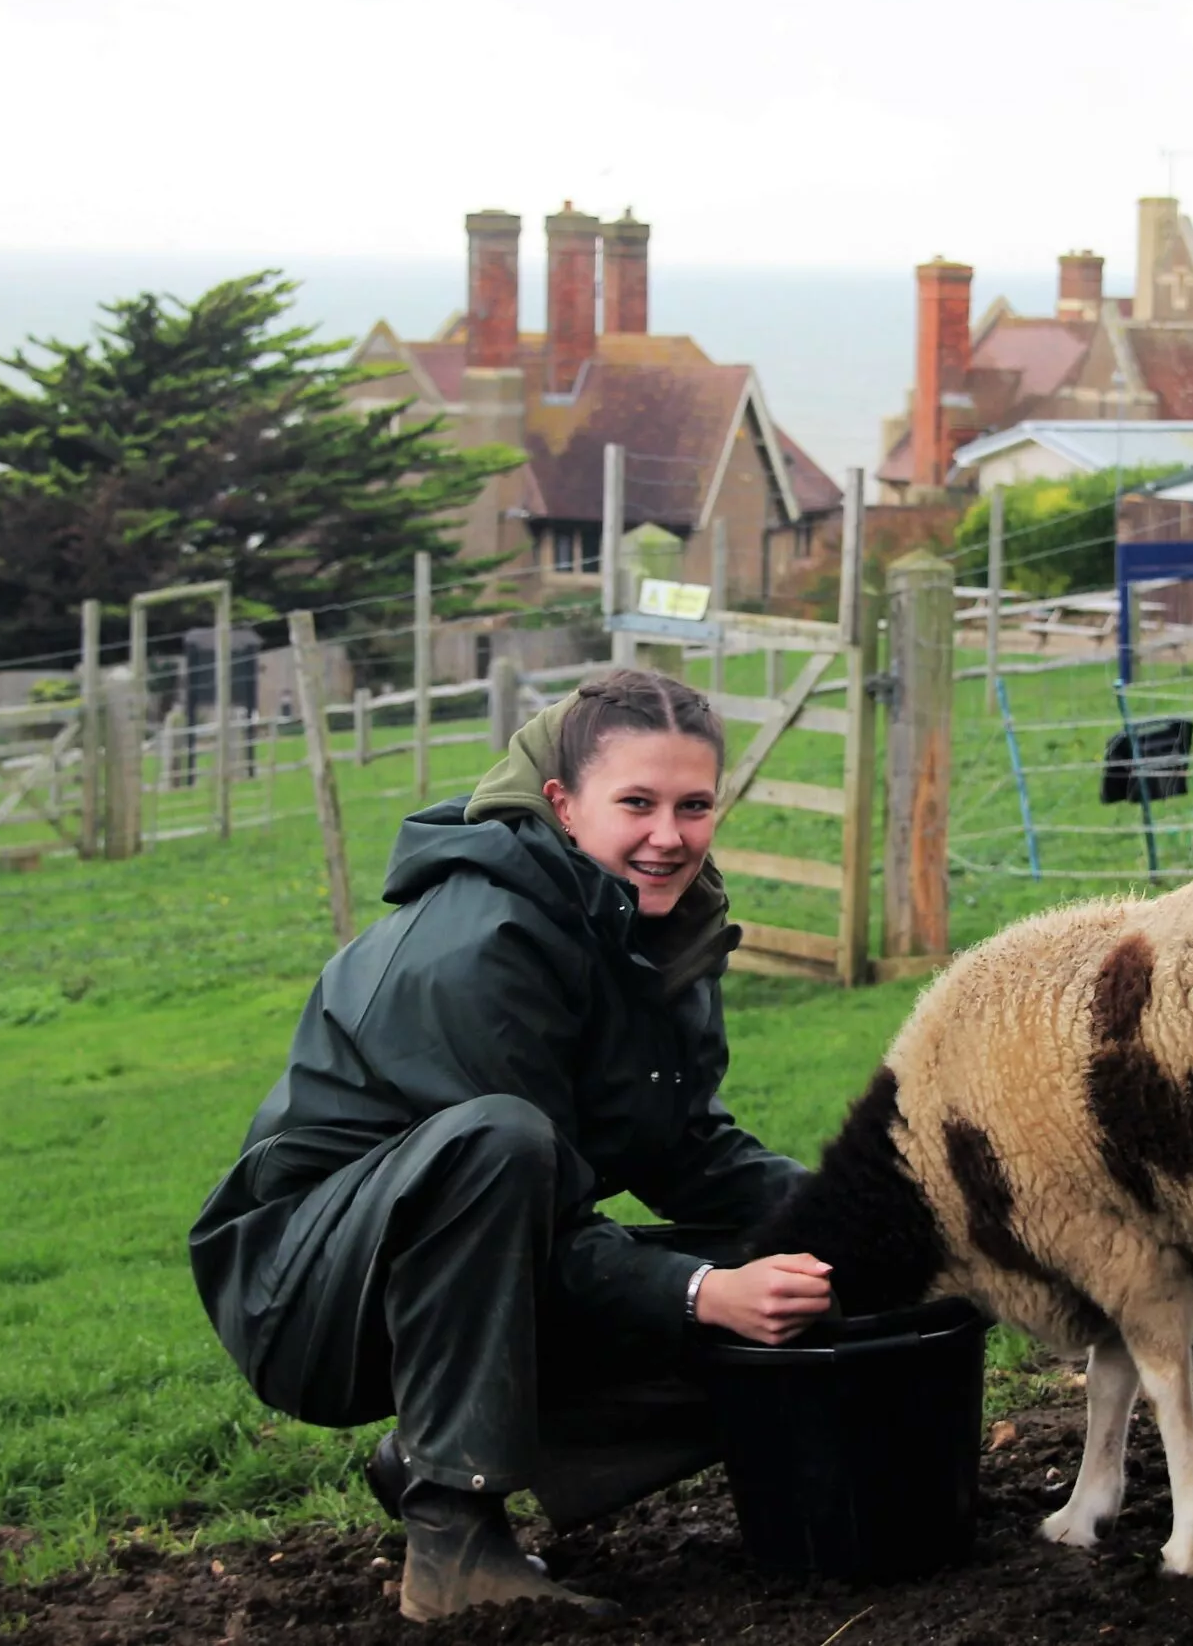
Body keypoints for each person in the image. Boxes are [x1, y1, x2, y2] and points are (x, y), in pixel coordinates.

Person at [189, 669, 835, 1619]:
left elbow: (686, 1148)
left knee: (802, 1279)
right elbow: (518, 1194)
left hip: (481, 1257)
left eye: (694, 805)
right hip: (307, 1290)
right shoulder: (481, 940)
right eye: (638, 803)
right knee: (505, 1142)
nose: (670, 835)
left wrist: (872, 1215)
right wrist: (703, 1292)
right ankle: (453, 1543)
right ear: (563, 807)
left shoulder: (658, 924)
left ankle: (427, 1456)